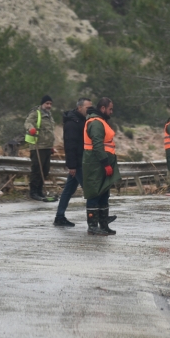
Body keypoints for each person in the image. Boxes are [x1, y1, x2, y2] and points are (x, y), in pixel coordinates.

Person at [82, 97, 120, 236]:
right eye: (110, 109)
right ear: (103, 108)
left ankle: (104, 225)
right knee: (94, 194)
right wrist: (105, 163)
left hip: (102, 164)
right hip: (95, 164)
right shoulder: (96, 123)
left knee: (104, 193)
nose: (111, 112)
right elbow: (97, 146)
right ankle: (92, 226)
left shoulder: (102, 122)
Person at [53, 98, 92, 227]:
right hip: (78, 163)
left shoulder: (82, 121)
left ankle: (59, 216)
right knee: (90, 190)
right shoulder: (72, 123)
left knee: (68, 190)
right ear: (79, 108)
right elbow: (70, 146)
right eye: (87, 107)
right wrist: (72, 166)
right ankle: (95, 217)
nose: (89, 110)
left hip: (81, 161)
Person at [24, 95, 56, 201]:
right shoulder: (36, 113)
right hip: (38, 146)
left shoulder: (49, 115)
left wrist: (51, 146)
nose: (49, 106)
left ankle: (39, 191)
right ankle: (33, 192)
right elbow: (27, 122)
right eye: (47, 103)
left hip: (47, 147)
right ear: (42, 104)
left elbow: (50, 131)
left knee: (45, 170)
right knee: (37, 170)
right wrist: (31, 128)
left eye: (50, 104)